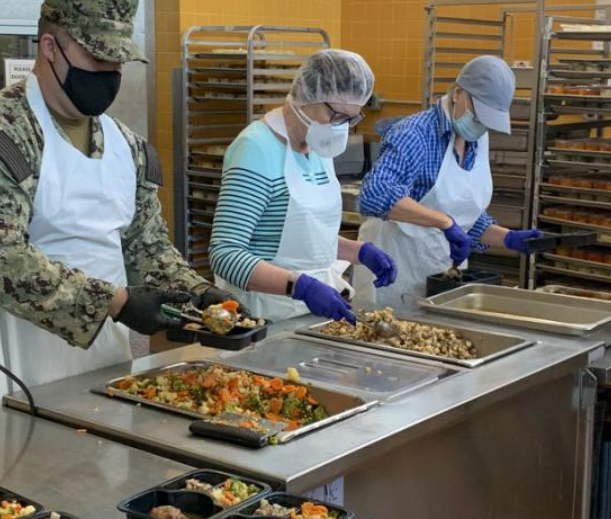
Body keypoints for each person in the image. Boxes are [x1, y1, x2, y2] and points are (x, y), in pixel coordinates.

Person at [0, 0, 235, 405]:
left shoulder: (127, 147)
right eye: (96, 56)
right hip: (2, 371)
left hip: (101, 366)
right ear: (50, 47)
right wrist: (113, 302)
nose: (109, 73)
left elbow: (146, 251)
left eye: (118, 61)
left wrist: (198, 295)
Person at [208, 49, 397, 323]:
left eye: (350, 119)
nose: (340, 127)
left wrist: (359, 252)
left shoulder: (317, 146)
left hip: (311, 313)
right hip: (263, 315)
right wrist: (299, 286)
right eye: (336, 115)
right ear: (306, 97)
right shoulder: (256, 149)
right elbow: (225, 254)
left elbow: (305, 241)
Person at [354, 55, 542, 308]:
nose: (481, 126)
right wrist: (443, 223)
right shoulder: (415, 133)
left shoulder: (476, 140)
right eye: (478, 115)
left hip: (445, 279)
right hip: (394, 274)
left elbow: (465, 218)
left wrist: (507, 238)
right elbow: (374, 195)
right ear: (458, 94)